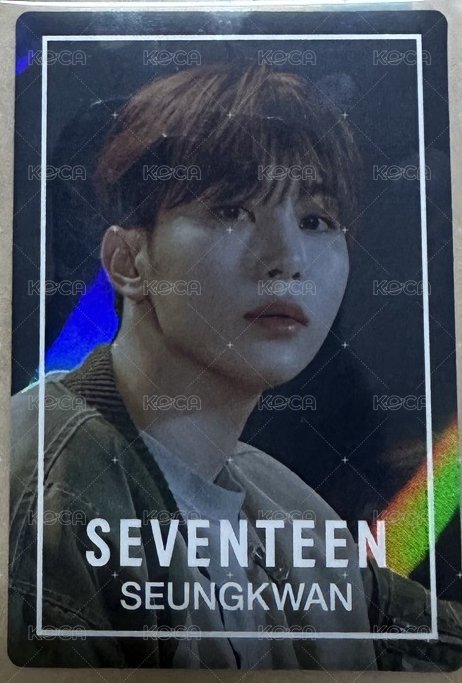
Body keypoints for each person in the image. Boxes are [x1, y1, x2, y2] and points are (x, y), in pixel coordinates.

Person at [8, 61, 462, 671]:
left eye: (316, 221)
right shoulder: (48, 483)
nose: (288, 258)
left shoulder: (280, 502)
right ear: (128, 261)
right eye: (230, 210)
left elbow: (425, 634)